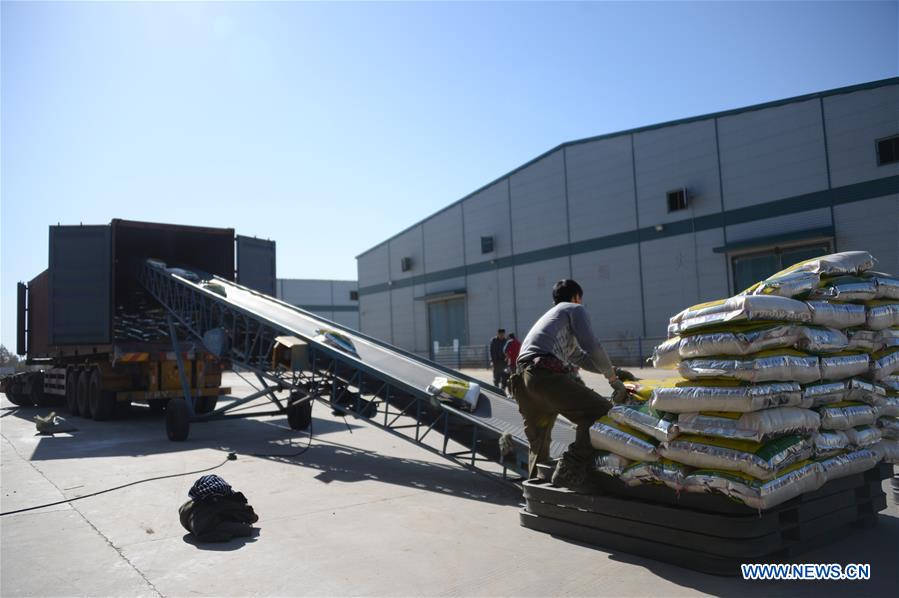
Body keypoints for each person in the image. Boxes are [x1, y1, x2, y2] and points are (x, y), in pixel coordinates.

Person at [509, 279, 629, 489]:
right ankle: (570, 467)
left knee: (539, 441)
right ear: (576, 297)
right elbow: (592, 345)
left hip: (523, 382)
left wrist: (613, 370)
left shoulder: (553, 321)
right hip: (544, 376)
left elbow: (581, 358)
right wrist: (613, 380)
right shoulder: (574, 309)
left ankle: (537, 492)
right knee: (600, 411)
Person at [179, 475, 259, 542]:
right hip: (207, 527)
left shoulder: (192, 502)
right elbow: (252, 517)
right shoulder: (218, 502)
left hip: (198, 525)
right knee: (245, 529)